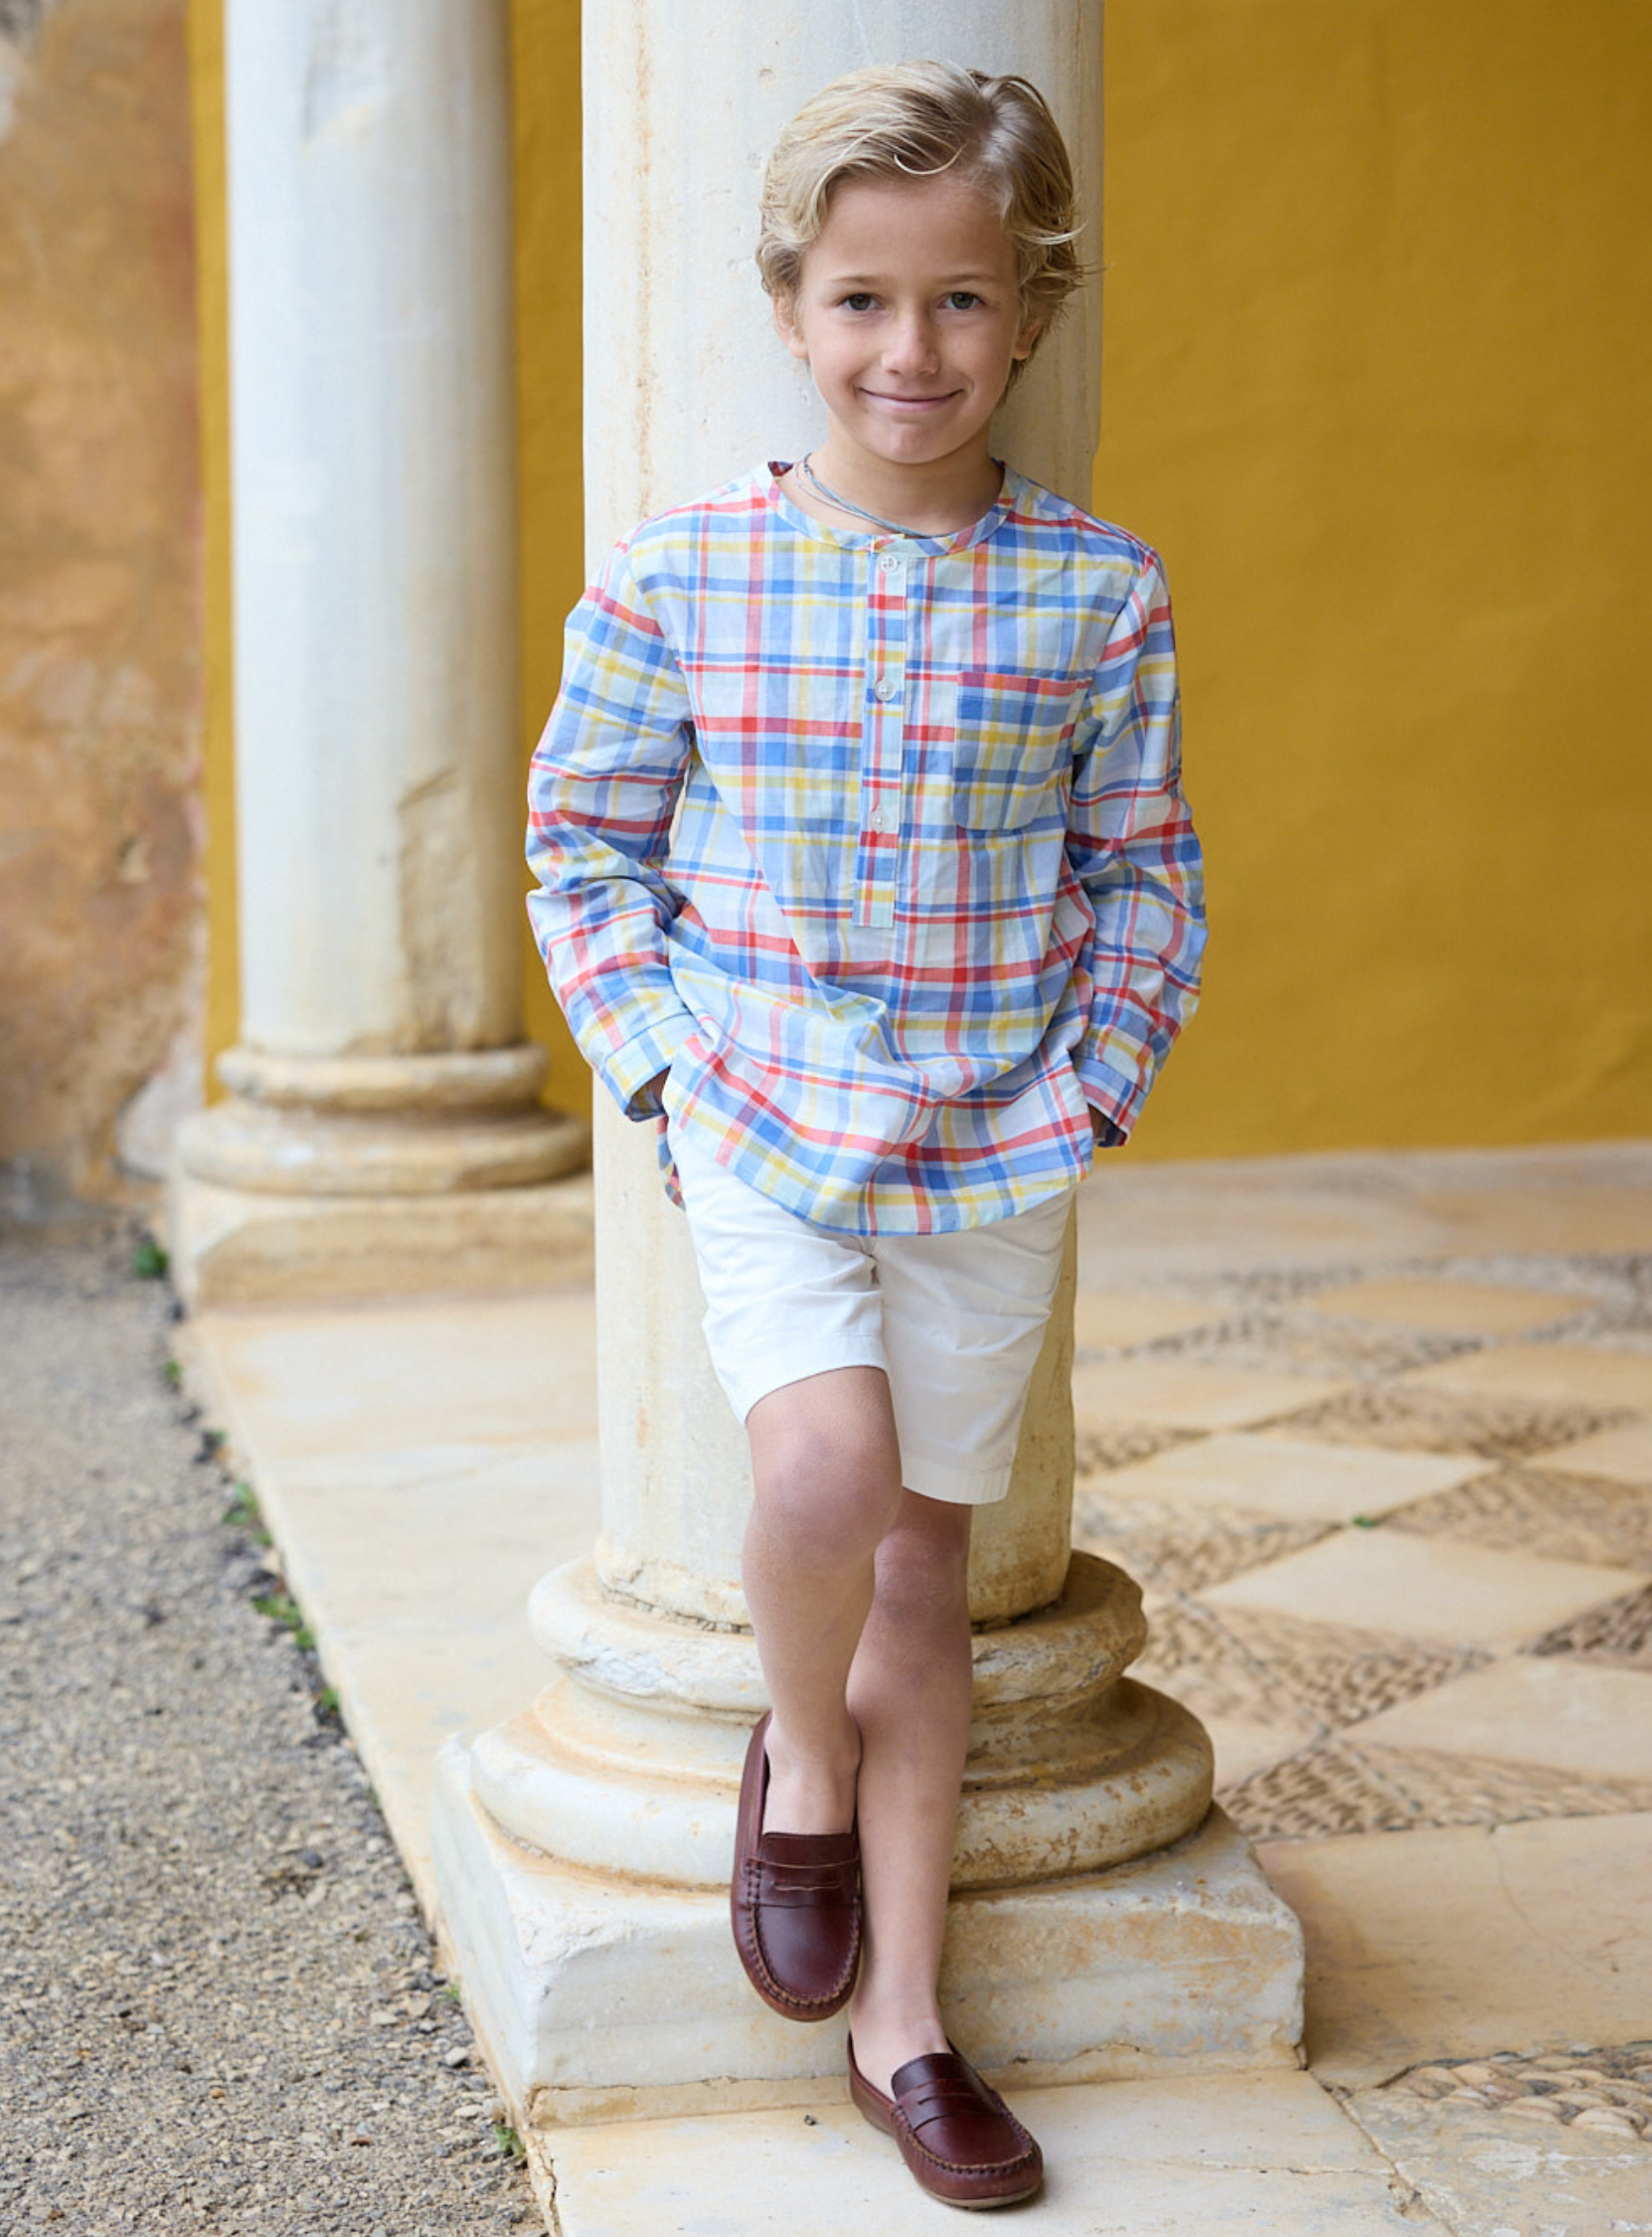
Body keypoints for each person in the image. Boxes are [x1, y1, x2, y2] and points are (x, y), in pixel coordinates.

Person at [525, 60, 1205, 2211]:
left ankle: (906, 2021)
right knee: (819, 1473)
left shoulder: (1099, 591)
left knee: (926, 1560)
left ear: (1031, 312)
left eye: (961, 301)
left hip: (999, 1138)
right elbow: (583, 843)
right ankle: (800, 1747)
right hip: (764, 1115)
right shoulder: (682, 577)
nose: (912, 349)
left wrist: (1096, 1081)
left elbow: (1146, 868)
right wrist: (659, 1067)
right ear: (791, 308)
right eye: (862, 300)